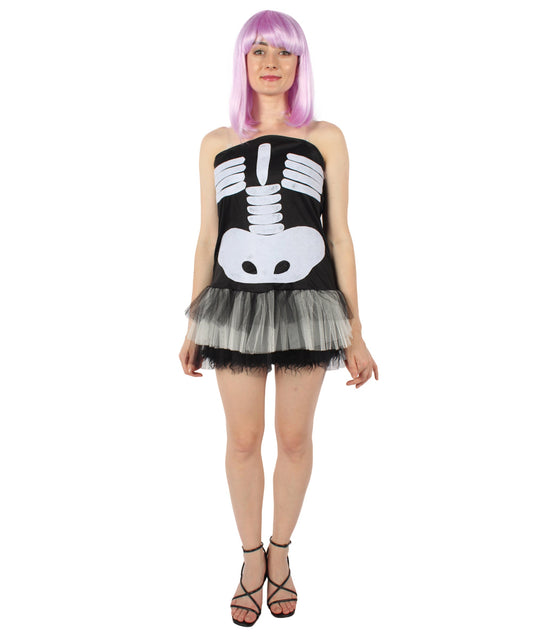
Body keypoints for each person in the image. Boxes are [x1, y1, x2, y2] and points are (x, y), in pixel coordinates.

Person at [179, 9, 379, 626]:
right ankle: (249, 559)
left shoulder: (326, 137)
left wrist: (355, 330)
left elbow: (338, 236)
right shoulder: (216, 143)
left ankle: (282, 552)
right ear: (243, 61)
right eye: (260, 50)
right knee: (242, 440)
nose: (271, 62)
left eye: (285, 52)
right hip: (232, 307)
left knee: (294, 438)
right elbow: (208, 238)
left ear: (300, 63)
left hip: (308, 304)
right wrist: (193, 323)